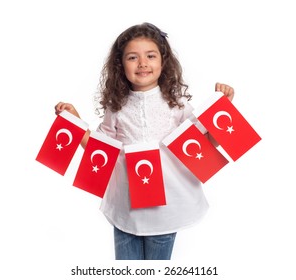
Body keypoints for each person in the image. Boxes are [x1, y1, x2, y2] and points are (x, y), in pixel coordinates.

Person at [55, 22, 234, 260]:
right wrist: (75, 121)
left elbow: (206, 144)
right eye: (132, 57)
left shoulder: (176, 103)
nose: (142, 63)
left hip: (166, 206)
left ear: (163, 61)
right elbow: (99, 151)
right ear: (120, 65)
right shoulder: (115, 106)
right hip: (126, 205)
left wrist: (223, 108)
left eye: (150, 55)